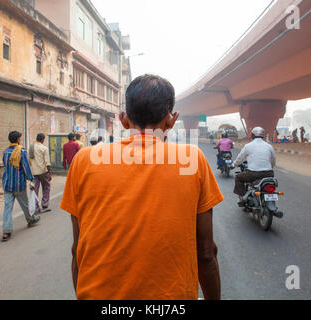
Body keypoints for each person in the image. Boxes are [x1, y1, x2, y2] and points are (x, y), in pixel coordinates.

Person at [60, 74, 224, 300]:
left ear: (124, 120)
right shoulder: (192, 159)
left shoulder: (85, 160)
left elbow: (77, 249)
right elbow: (206, 253)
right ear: (172, 119)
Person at [1, 131, 40, 242]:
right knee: (25, 204)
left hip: (7, 184)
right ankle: (31, 219)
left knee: (7, 208)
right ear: (18, 139)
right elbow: (25, 167)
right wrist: (31, 179)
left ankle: (6, 232)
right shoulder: (22, 152)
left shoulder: (5, 152)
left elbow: (5, 165)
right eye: (20, 138)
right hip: (19, 185)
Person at [232, 127, 276, 206]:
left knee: (238, 177)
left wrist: (234, 165)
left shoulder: (248, 146)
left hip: (253, 174)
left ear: (252, 135)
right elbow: (273, 160)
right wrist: (270, 168)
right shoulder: (269, 146)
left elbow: (240, 158)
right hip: (269, 173)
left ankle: (241, 199)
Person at [29, 133, 52, 214]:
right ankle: (45, 204)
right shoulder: (44, 148)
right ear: (43, 139)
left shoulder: (31, 147)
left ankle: (36, 207)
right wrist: (49, 173)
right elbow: (47, 163)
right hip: (43, 171)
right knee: (46, 187)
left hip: (33, 172)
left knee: (35, 190)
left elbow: (29, 160)